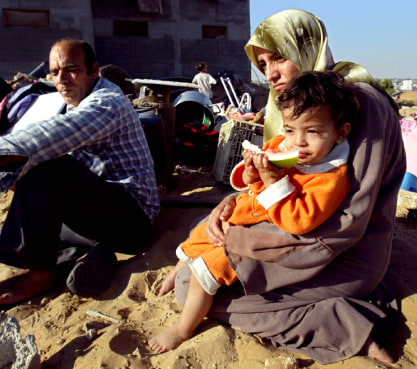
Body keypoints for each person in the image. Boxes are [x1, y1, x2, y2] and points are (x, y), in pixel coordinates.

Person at [170, 9, 405, 365]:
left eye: (279, 56)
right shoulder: (299, 106)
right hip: (294, 234)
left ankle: (345, 325)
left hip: (337, 254)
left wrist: (238, 241)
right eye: (263, 63)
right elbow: (278, 179)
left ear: (307, 46)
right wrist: (230, 206)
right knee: (200, 243)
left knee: (190, 285)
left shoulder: (361, 105)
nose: (271, 73)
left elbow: (346, 226)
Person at [0, 38, 160, 329]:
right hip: (99, 212)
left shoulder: (108, 102)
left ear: (93, 70)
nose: (61, 79)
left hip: (131, 219)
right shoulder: (75, 101)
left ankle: (42, 275)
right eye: (55, 72)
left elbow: (51, 136)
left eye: (71, 69)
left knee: (46, 165)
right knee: (6, 238)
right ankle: (83, 258)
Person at [149, 70, 358, 353]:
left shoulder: (331, 178)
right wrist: (250, 171)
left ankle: (183, 328)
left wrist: (273, 180)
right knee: (197, 236)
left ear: (340, 132)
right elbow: (248, 183)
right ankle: (178, 270)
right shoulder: (281, 146)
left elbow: (299, 221)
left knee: (206, 269)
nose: (298, 142)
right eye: (290, 129)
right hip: (242, 215)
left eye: (313, 131)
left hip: (260, 238)